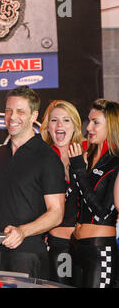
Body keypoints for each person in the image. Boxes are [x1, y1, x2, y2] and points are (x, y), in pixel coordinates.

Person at [0, 86, 66, 279]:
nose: (12, 117)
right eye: (8, 110)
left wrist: (22, 231)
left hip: (26, 254)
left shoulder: (46, 157)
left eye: (20, 111)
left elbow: (56, 214)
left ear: (34, 116)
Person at [68, 99, 119, 288]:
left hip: (100, 250)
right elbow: (74, 200)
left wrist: (79, 171)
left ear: (112, 126)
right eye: (88, 121)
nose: (88, 127)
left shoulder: (115, 162)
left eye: (96, 122)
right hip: (76, 247)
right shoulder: (86, 156)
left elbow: (102, 211)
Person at [39, 100, 85, 285]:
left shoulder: (90, 153)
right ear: (47, 127)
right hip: (57, 243)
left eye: (66, 120)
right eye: (54, 120)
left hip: (86, 243)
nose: (59, 125)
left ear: (75, 125)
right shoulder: (41, 158)